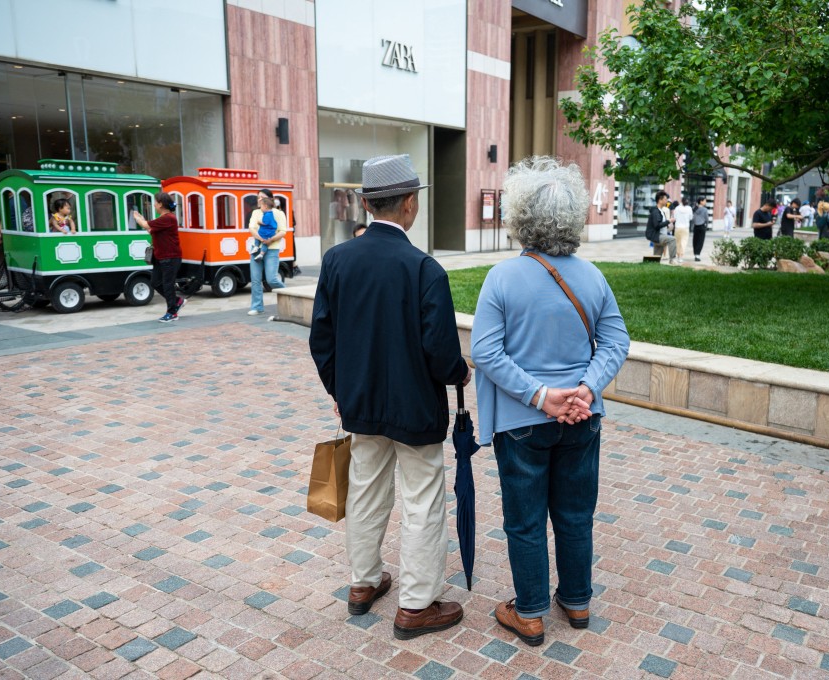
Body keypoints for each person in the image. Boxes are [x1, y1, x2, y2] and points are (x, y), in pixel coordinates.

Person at [309, 154, 471, 641]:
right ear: (410, 204)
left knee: (365, 489)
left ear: (365, 202)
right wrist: (460, 374)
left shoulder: (337, 260)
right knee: (422, 500)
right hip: (415, 406)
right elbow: (440, 351)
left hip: (359, 403)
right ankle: (417, 605)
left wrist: (340, 390)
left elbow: (322, 338)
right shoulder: (424, 268)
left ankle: (363, 582)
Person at [471, 157, 630, 647]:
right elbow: (616, 340)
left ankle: (532, 611)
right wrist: (586, 388)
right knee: (576, 514)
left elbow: (484, 352)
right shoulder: (593, 276)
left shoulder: (501, 278)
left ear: (521, 217)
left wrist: (541, 396)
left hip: (523, 422)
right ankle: (577, 601)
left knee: (525, 519)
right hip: (583, 417)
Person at [133, 192, 184, 323]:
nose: (154, 205)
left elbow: (146, 225)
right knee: (155, 282)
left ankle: (172, 313)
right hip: (161, 257)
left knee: (168, 285)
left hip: (170, 257)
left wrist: (138, 218)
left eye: (155, 202)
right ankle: (177, 301)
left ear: (161, 204)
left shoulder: (168, 218)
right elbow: (150, 230)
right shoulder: (162, 220)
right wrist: (143, 220)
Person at [247, 190, 287, 316]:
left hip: (272, 249)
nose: (259, 200)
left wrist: (270, 240)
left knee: (272, 279)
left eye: (262, 198)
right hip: (256, 248)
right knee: (255, 279)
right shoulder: (255, 212)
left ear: (270, 199)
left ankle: (291, 294)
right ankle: (257, 307)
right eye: (258, 197)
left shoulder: (278, 213)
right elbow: (251, 228)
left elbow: (282, 231)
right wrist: (261, 239)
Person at [645, 191, 677, 264]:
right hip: (657, 235)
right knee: (672, 239)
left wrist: (668, 225)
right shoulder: (656, 211)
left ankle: (653, 266)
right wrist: (668, 221)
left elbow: (661, 224)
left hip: (660, 235)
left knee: (656, 259)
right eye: (665, 199)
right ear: (660, 200)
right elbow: (657, 225)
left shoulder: (661, 211)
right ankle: (672, 259)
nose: (667, 201)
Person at [672, 197, 692, 263]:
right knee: (684, 242)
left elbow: (674, 217)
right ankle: (681, 256)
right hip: (685, 228)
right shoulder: (689, 208)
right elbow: (690, 218)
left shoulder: (677, 208)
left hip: (678, 227)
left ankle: (678, 256)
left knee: (677, 242)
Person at [691, 196, 710, 262]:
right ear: (701, 201)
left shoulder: (694, 209)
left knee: (695, 240)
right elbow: (707, 219)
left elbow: (692, 218)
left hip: (696, 226)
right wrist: (706, 226)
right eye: (705, 200)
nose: (705, 202)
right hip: (702, 226)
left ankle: (695, 253)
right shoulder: (705, 209)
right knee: (700, 241)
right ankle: (697, 255)